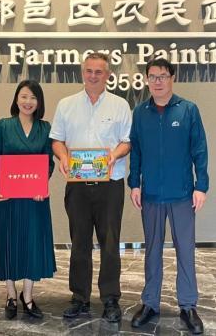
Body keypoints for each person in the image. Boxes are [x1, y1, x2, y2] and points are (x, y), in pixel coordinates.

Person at [128, 58, 209, 334]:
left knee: (185, 250)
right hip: (151, 194)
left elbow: (200, 149)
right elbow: (136, 151)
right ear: (146, 80)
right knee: (152, 250)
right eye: (152, 76)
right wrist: (134, 184)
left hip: (182, 194)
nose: (158, 81)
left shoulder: (188, 110)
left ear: (172, 78)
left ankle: (188, 305)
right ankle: (150, 303)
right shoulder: (140, 113)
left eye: (163, 76)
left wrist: (201, 186)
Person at [50, 52, 132, 322]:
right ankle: (79, 298)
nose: (93, 76)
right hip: (78, 187)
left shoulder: (120, 105)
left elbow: (127, 141)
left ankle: (110, 299)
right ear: (82, 73)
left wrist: (114, 155)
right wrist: (63, 157)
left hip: (110, 184)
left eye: (99, 71)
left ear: (108, 75)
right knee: (79, 243)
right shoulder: (66, 105)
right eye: (89, 71)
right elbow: (57, 140)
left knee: (110, 244)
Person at [0, 80, 56, 320]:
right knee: (8, 244)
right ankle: (10, 295)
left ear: (39, 102)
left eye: (33, 97)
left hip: (35, 199)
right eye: (24, 96)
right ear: (16, 99)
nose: (28, 102)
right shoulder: (3, 126)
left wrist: (42, 185)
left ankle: (28, 296)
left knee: (31, 245)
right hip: (8, 198)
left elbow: (48, 163)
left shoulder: (45, 128)